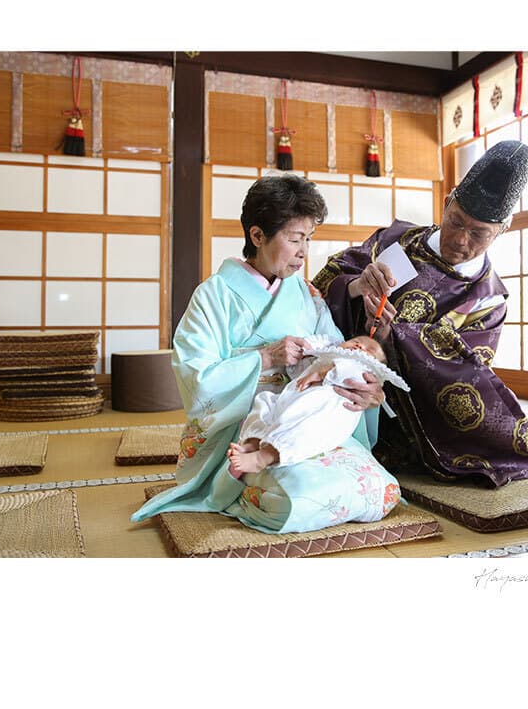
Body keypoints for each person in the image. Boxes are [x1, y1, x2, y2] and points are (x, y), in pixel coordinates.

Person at [130, 174, 403, 534]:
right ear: (257, 236)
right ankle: (240, 482)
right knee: (299, 494)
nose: (304, 251)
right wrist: (265, 359)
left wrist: (362, 385)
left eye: (308, 239)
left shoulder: (308, 296)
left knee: (383, 491)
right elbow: (195, 376)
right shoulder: (214, 296)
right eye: (294, 239)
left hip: (308, 425)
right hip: (247, 430)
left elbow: (339, 357)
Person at [312, 140, 528, 488]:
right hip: (338, 367)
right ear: (447, 201)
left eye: (478, 233)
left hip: (406, 410)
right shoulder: (397, 241)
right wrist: (357, 286)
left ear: (502, 230)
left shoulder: (487, 298)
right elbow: (321, 286)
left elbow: (465, 370)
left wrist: (393, 337)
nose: (461, 240)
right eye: (455, 221)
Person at [227, 333, 409, 477]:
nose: (360, 346)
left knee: (306, 428)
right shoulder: (330, 354)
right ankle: (253, 442)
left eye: (370, 351)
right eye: (356, 341)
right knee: (265, 402)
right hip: (291, 399)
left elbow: (353, 374)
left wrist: (324, 373)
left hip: (326, 409)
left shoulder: (363, 368)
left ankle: (264, 457)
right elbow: (302, 363)